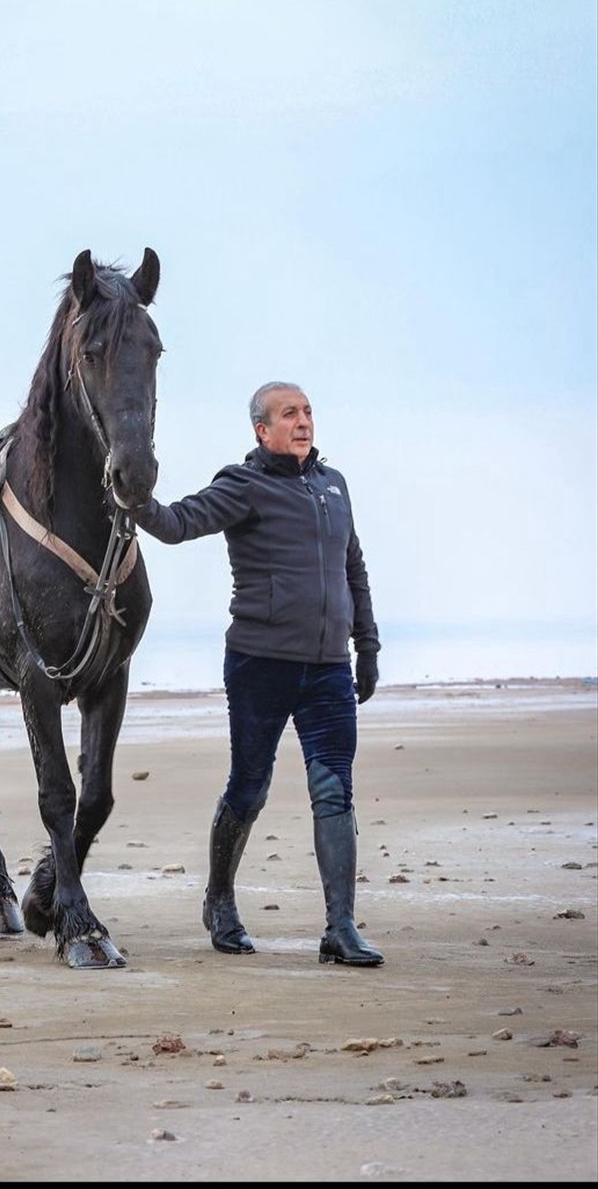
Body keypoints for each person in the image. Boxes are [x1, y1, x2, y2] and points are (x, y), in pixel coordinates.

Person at [131, 381, 384, 967]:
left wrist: (366, 648)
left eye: (308, 412)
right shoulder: (243, 486)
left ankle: (340, 928)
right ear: (261, 430)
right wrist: (133, 499)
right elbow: (175, 524)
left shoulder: (333, 487)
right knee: (250, 787)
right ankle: (219, 899)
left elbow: (355, 569)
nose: (303, 422)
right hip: (259, 665)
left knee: (334, 790)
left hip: (327, 670)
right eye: (289, 414)